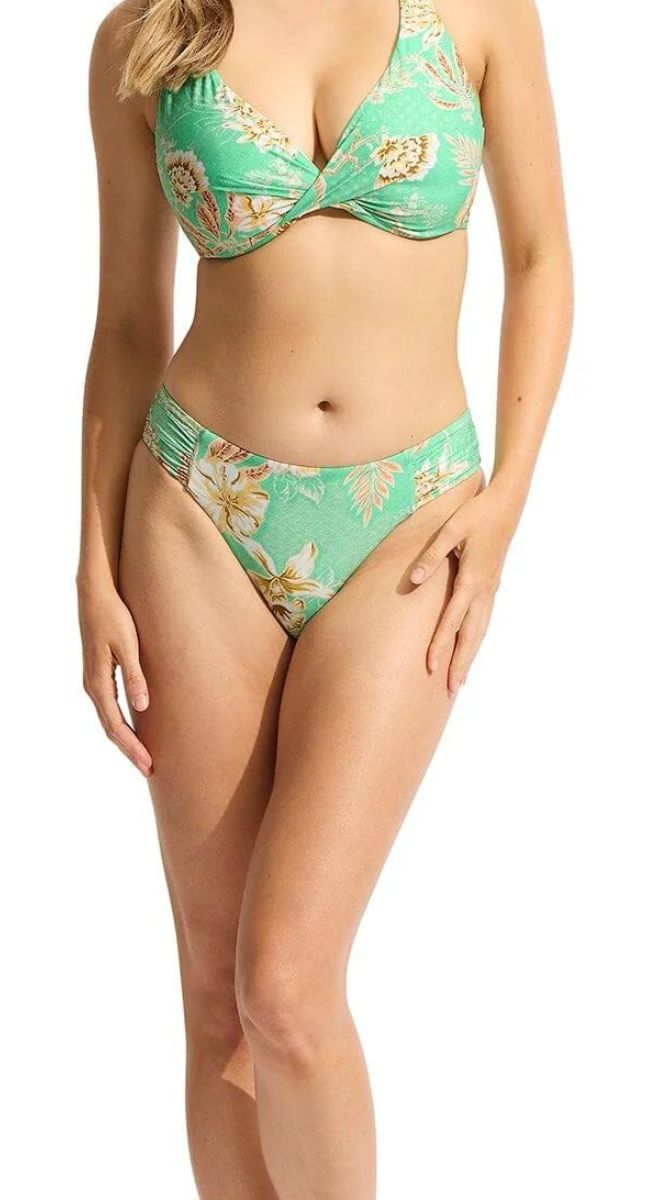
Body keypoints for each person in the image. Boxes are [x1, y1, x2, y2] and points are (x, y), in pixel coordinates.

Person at [77, 1, 573, 1196]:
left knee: (287, 987)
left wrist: (507, 501)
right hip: (198, 507)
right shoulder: (147, 35)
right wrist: (90, 563)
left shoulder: (477, 14)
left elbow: (541, 258)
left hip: (411, 516)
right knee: (218, 998)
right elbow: (131, 318)